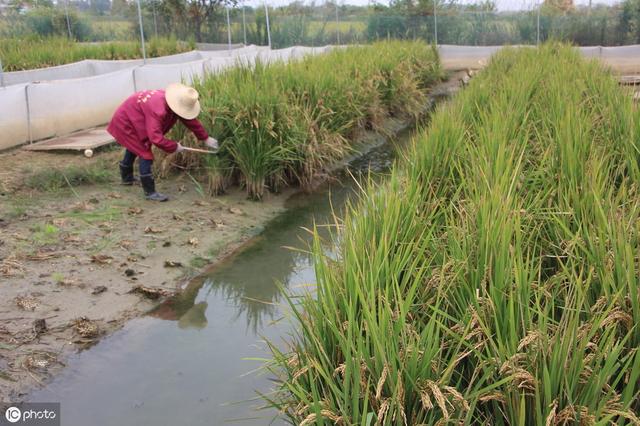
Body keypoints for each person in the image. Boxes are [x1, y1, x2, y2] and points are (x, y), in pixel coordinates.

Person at [107, 83, 218, 202]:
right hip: (126, 122)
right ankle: (150, 192)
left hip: (135, 118)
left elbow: (190, 121)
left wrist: (205, 138)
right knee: (144, 152)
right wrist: (174, 147)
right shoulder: (158, 109)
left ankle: (127, 178)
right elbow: (155, 138)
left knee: (136, 146)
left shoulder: (173, 102)